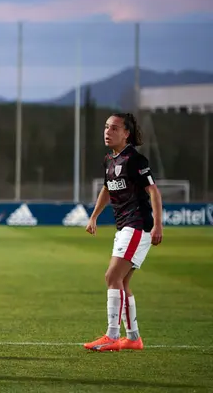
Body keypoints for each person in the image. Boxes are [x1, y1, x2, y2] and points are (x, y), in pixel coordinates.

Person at [84, 113, 163, 352]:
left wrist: (158, 224)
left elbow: (153, 191)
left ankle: (112, 335)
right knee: (122, 281)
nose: (108, 132)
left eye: (114, 128)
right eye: (106, 127)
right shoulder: (109, 160)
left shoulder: (135, 160)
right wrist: (94, 215)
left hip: (137, 224)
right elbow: (107, 190)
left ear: (126, 133)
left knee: (112, 277)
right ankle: (133, 338)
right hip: (124, 227)